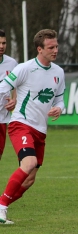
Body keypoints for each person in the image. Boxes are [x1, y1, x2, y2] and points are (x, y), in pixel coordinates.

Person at [0, 29, 65, 224]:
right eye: (51, 47)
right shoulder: (25, 68)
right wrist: (8, 99)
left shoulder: (58, 72)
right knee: (27, 164)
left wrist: (59, 109)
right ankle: (1, 207)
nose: (55, 50)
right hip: (21, 124)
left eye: (56, 46)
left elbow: (60, 100)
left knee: (29, 179)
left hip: (41, 131)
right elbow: (4, 86)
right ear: (39, 49)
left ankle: (1, 204)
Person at [0, 29, 18, 160]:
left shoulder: (12, 64)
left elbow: (17, 85)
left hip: (2, 118)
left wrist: (14, 100)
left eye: (4, 43)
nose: (1, 46)